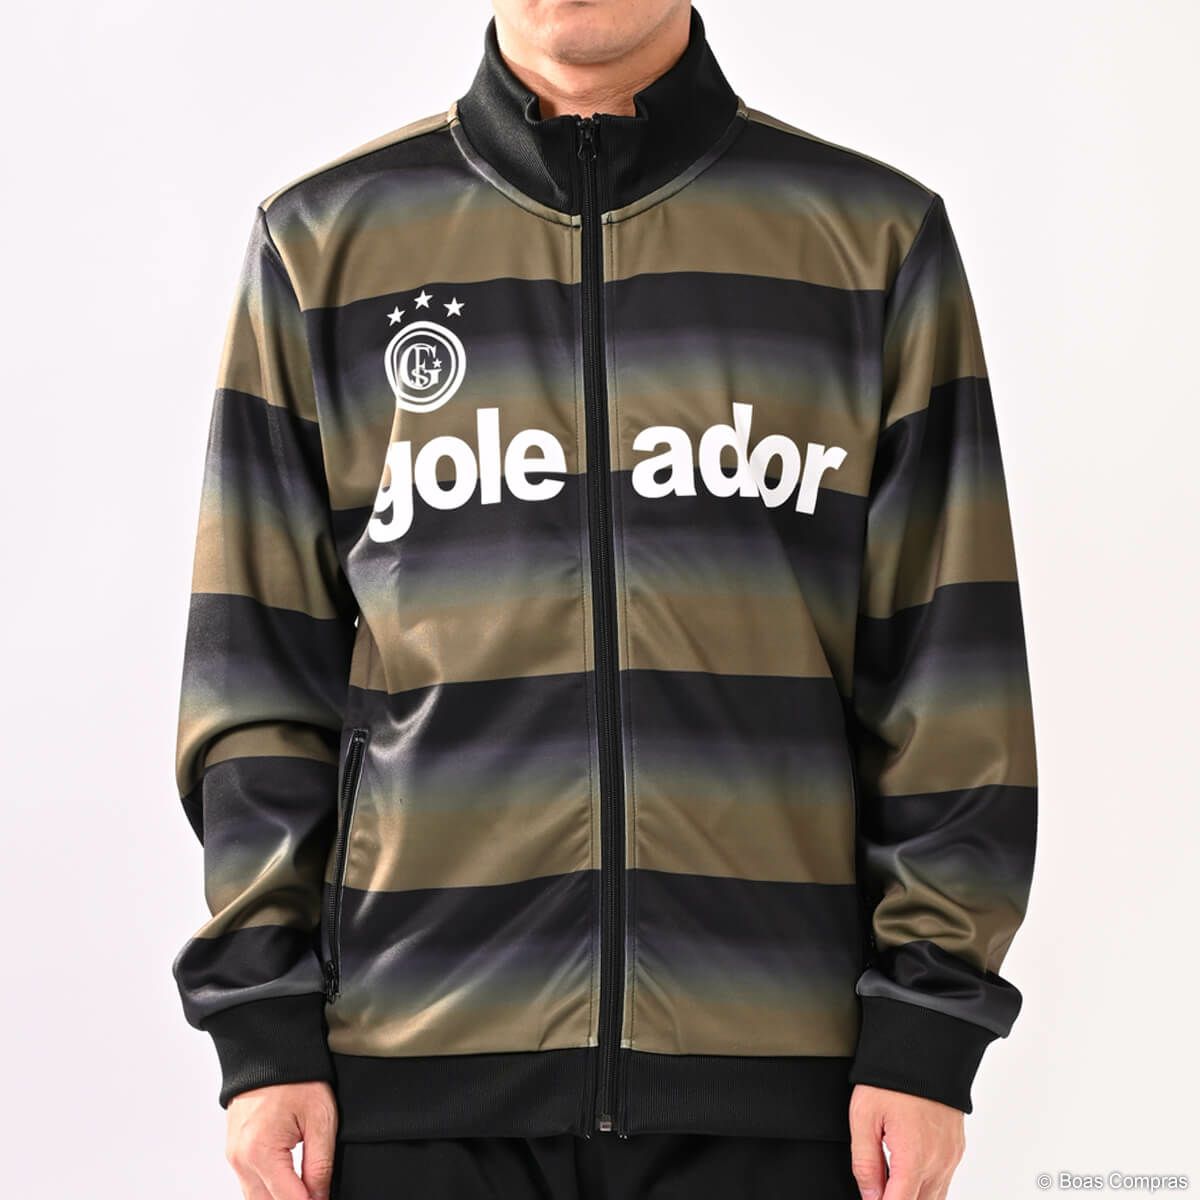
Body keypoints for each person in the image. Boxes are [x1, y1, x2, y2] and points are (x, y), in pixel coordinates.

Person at [170, 2, 1038, 1197]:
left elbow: (952, 671)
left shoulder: (869, 242)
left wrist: (929, 1026)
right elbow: (259, 677)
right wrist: (262, 1028)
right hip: (414, 1073)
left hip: (784, 1080)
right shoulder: (325, 246)